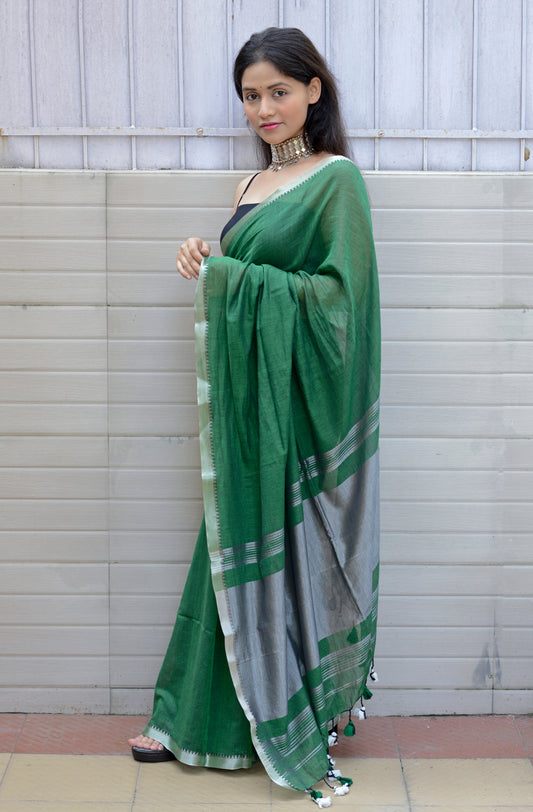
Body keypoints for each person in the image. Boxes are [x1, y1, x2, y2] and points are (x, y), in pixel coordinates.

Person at [129, 26, 380, 806]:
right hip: (248, 413)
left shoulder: (336, 181)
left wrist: (233, 278)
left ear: (313, 90)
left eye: (278, 91)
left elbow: (340, 305)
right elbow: (245, 271)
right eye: (249, 95)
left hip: (295, 418)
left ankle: (284, 713)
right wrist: (206, 258)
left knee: (269, 558)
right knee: (225, 549)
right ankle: (191, 717)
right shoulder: (250, 186)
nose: (263, 108)